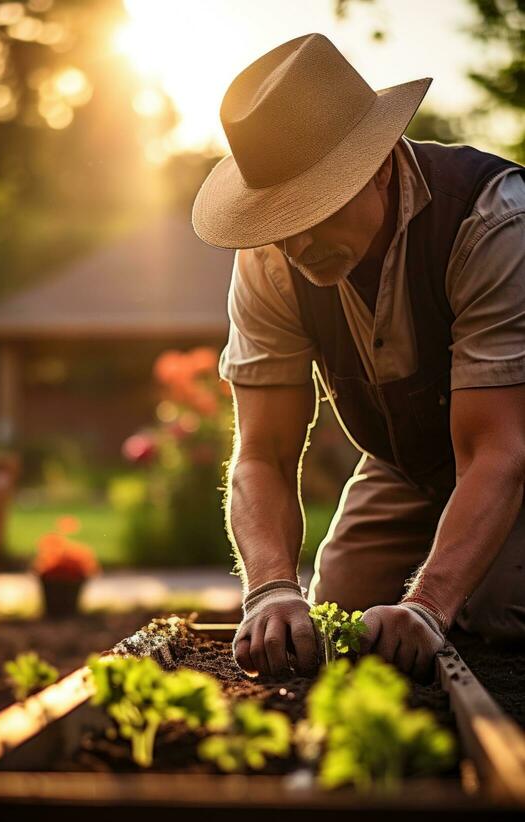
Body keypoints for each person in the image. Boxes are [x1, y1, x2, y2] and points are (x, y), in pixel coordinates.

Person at [192, 33, 525, 681]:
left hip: (512, 453)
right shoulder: (269, 258)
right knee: (337, 612)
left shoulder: (489, 223)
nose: (300, 240)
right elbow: (262, 452)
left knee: (498, 607)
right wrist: (268, 589)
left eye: (317, 204)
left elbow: (497, 451)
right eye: (281, 217)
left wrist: (427, 605)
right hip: (406, 465)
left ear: (378, 165)